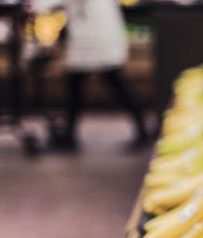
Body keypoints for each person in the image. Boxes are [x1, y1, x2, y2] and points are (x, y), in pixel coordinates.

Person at [36, 0, 149, 150]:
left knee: (111, 83)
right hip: (91, 33)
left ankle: (142, 130)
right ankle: (69, 135)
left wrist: (38, 4)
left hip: (95, 34)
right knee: (79, 85)